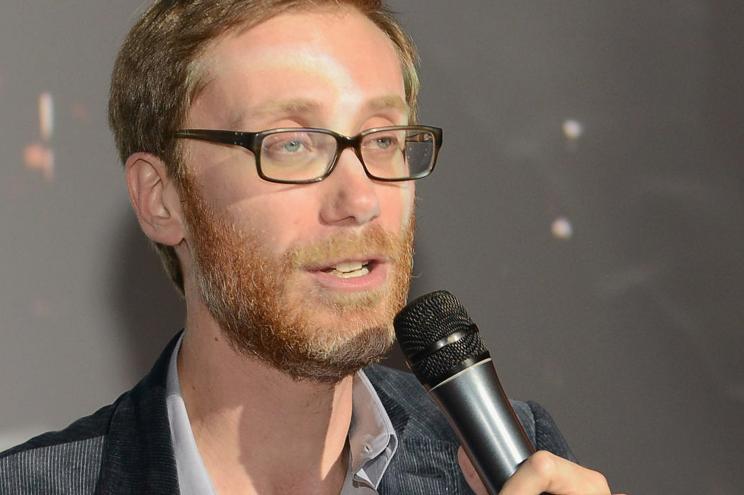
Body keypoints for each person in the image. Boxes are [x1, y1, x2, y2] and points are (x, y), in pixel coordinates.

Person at [0, 1, 616, 494]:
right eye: (291, 145)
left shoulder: (513, 461)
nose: (362, 198)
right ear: (162, 198)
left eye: (382, 139)